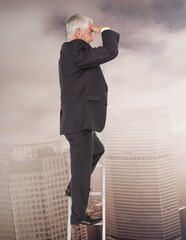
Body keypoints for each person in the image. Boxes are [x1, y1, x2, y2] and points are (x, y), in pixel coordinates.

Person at [59, 13, 119, 225]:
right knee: (82, 169)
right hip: (79, 122)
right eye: (89, 32)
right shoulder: (75, 48)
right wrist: (104, 29)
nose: (92, 38)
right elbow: (110, 51)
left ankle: (73, 186)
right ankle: (78, 217)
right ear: (77, 32)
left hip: (80, 120)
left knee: (97, 150)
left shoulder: (74, 52)